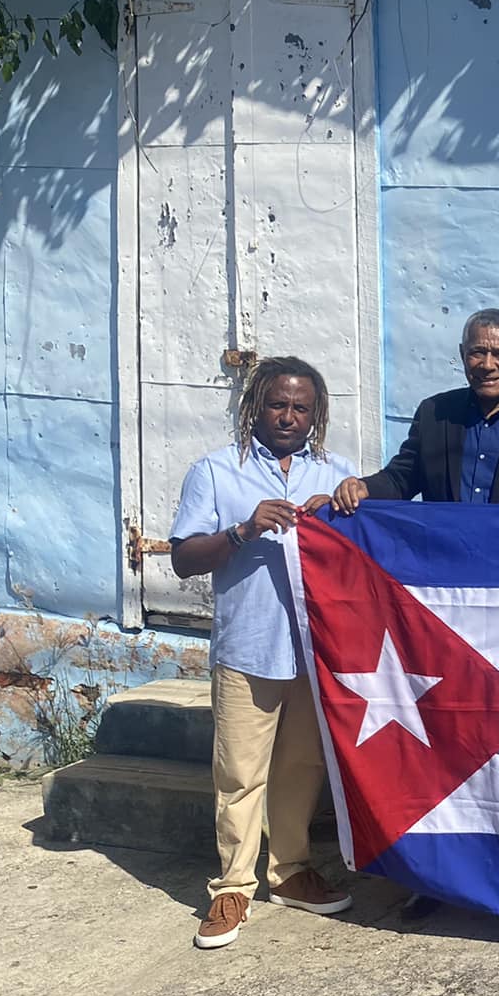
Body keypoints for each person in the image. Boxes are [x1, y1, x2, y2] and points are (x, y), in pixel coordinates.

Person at [170, 356, 358, 950]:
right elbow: (183, 559)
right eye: (278, 404)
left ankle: (291, 871)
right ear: (256, 406)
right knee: (239, 773)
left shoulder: (336, 473)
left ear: (316, 415)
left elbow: (362, 555)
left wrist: (345, 513)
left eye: (301, 407)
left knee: (302, 767)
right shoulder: (216, 471)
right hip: (248, 648)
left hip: (313, 650)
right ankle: (232, 886)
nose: (288, 416)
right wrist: (243, 532)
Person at [334, 309, 499, 513]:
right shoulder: (434, 414)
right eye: (477, 352)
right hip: (448, 564)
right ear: (462, 354)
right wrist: (364, 487)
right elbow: (401, 478)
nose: (487, 365)